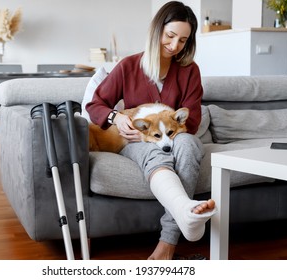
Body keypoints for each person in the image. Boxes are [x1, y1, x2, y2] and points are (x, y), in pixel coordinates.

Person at [86, 1, 216, 260]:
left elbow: (192, 119)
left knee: (188, 145)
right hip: (136, 141)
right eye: (170, 36)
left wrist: (171, 132)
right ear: (157, 30)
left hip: (177, 136)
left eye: (183, 40)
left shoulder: (190, 71)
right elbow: (95, 105)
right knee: (156, 153)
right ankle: (178, 228)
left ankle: (169, 239)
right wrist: (116, 117)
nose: (174, 45)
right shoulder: (128, 66)